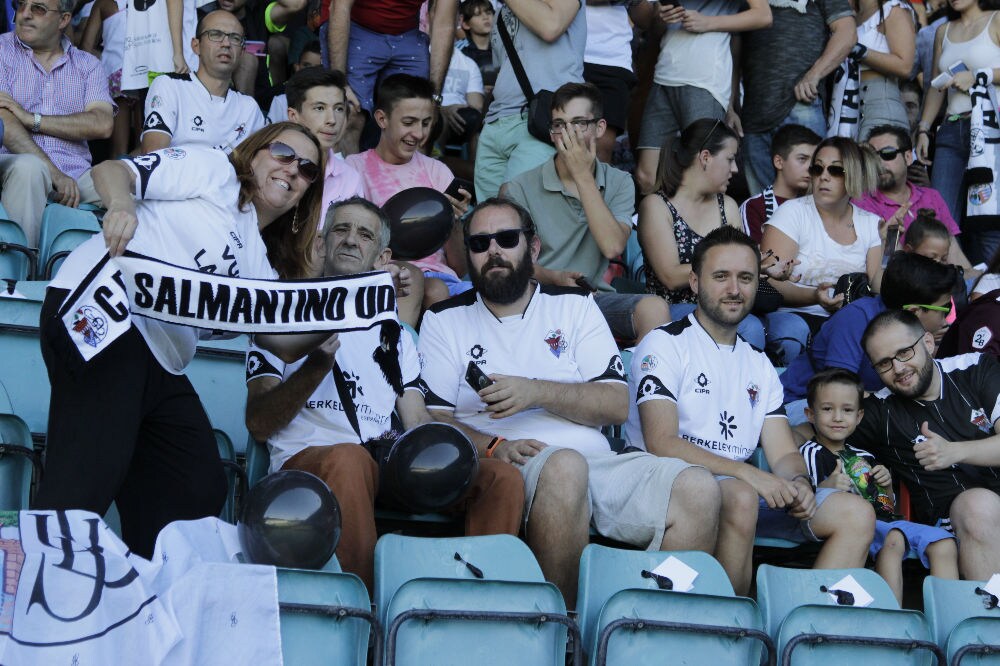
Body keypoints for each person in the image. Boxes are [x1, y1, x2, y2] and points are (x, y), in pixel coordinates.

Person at [33, 122, 327, 559]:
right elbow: (113, 170)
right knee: (88, 472)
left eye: (307, 169)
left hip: (159, 359)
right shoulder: (213, 169)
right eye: (283, 152)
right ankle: (39, 596)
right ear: (255, 152)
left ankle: (141, 594)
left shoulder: (260, 265)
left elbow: (281, 341)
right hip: (103, 312)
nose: (293, 169)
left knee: (196, 483)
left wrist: (351, 313)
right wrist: (121, 206)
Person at [418, 198, 720, 608]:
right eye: (479, 243)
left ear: (534, 247)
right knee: (565, 467)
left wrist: (536, 391)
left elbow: (616, 403)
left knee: (698, 487)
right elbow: (433, 420)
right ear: (467, 254)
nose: (494, 251)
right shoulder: (444, 318)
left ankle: (644, 627)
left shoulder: (575, 306)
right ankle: (562, 629)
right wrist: (493, 447)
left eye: (507, 239)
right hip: (513, 463)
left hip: (596, 462)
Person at [245, 197, 524, 590]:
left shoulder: (392, 332)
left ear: (382, 257)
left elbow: (416, 421)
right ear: (322, 244)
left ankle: (473, 606)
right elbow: (258, 423)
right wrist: (314, 367)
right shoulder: (282, 312)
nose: (351, 240)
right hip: (309, 464)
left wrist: (481, 448)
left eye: (364, 234)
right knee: (349, 459)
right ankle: (361, 609)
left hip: (382, 460)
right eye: (341, 230)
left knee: (501, 478)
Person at [624, 225, 875, 595]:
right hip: (667, 486)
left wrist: (799, 483)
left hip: (739, 490)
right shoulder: (665, 344)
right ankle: (730, 627)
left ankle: (797, 631)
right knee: (740, 495)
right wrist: (750, 476)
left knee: (856, 513)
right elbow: (662, 442)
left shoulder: (758, 364)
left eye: (745, 278)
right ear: (694, 282)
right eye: (720, 276)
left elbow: (785, 452)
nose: (734, 289)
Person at [502, 82, 670, 344]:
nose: (567, 133)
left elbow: (612, 246)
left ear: (600, 128)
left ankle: (636, 382)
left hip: (594, 298)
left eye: (579, 123)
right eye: (559, 124)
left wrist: (582, 176)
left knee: (654, 309)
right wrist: (553, 277)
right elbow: (511, 264)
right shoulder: (519, 187)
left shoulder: (619, 182)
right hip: (537, 298)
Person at [855, 309, 1000, 579]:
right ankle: (989, 619)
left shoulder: (976, 368)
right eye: (884, 363)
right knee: (979, 505)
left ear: (929, 343)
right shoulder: (878, 411)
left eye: (904, 353)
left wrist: (953, 451)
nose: (898, 369)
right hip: (956, 519)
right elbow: (816, 426)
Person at [799, 368, 958, 604]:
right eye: (827, 409)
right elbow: (807, 500)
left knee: (942, 541)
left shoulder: (865, 456)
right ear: (810, 414)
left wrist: (886, 487)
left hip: (883, 521)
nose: (838, 417)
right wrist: (827, 486)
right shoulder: (810, 452)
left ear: (859, 417)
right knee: (893, 541)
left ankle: (951, 620)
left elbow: (887, 506)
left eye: (847, 410)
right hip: (854, 527)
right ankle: (891, 619)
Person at [781, 250, 958, 424]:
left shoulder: (915, 333)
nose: (948, 318)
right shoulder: (857, 318)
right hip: (803, 405)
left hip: (860, 408)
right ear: (913, 311)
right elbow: (841, 391)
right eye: (946, 309)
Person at [345, 74, 472, 310]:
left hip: (443, 280)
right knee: (432, 288)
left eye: (425, 123)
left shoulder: (437, 171)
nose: (419, 134)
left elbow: (459, 269)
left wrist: (453, 221)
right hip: (380, 279)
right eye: (409, 122)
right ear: (382, 119)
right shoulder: (354, 168)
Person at [639, 118, 765, 348]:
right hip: (674, 309)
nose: (735, 169)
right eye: (730, 159)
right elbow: (669, 276)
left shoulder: (727, 205)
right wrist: (728, 267)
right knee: (750, 328)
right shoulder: (656, 206)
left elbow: (741, 262)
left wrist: (761, 266)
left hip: (728, 300)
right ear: (705, 157)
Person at [760, 136, 883, 365]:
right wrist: (814, 296)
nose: (823, 176)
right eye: (817, 168)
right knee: (794, 334)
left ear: (854, 174)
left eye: (835, 170)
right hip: (794, 316)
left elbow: (876, 290)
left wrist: (890, 241)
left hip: (849, 322)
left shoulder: (871, 223)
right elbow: (769, 282)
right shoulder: (792, 213)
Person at [0, 0, 113, 246]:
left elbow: (102, 123)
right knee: (29, 169)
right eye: (21, 5)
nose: (25, 14)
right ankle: (20, 275)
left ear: (63, 20)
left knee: (128, 187)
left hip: (76, 175)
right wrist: (56, 174)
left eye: (38, 8)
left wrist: (32, 119)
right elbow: (4, 122)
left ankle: (113, 276)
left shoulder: (87, 65)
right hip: (11, 164)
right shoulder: (1, 50)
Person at [630, 0, 772, 194]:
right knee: (647, 176)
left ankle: (699, 224)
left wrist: (708, 22)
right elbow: (647, 23)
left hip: (705, 81)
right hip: (663, 75)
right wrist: (660, 17)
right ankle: (665, 223)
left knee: (705, 174)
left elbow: (764, 15)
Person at [738, 0, 856, 194]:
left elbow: (847, 32)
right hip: (753, 113)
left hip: (800, 103)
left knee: (813, 201)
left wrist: (814, 75)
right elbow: (736, 45)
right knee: (762, 207)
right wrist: (733, 103)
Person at [473, 0, 586, 201]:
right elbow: (503, 68)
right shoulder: (501, 12)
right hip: (496, 124)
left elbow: (551, 26)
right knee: (487, 222)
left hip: (543, 121)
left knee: (518, 211)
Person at [915, 0, 1000, 264]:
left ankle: (988, 293)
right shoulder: (943, 30)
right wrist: (923, 128)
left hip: (989, 131)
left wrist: (979, 75)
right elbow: (934, 87)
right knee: (940, 215)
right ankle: (955, 288)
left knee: (989, 216)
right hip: (951, 127)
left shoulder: (996, 19)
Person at [857, 124, 978, 274]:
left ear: (908, 157)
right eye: (872, 156)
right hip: (898, 288)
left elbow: (953, 254)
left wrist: (977, 280)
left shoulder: (932, 196)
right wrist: (891, 237)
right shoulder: (860, 203)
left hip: (941, 285)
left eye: (887, 153)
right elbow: (882, 271)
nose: (878, 163)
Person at [140, 11, 265, 154]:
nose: (226, 44)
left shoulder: (249, 108)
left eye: (235, 38)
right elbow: (152, 156)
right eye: (216, 34)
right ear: (196, 46)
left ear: (242, 52)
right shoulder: (169, 86)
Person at [324, 0, 459, 114]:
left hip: (407, 33)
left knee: (417, 114)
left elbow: (444, 24)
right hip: (357, 25)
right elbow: (339, 7)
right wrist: (340, 84)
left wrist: (434, 97)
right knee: (350, 112)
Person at [284, 67, 364, 224]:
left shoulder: (350, 178)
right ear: (293, 116)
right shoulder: (273, 165)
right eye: (319, 108)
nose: (332, 119)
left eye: (339, 109)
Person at [829, 0, 915, 140]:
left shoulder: (893, 9)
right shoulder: (849, 15)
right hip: (843, 104)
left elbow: (905, 66)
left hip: (879, 104)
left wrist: (859, 51)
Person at [739, 124, 821, 243]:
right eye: (802, 159)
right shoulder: (754, 207)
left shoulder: (816, 206)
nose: (810, 168)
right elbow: (755, 259)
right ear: (779, 162)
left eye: (814, 162)